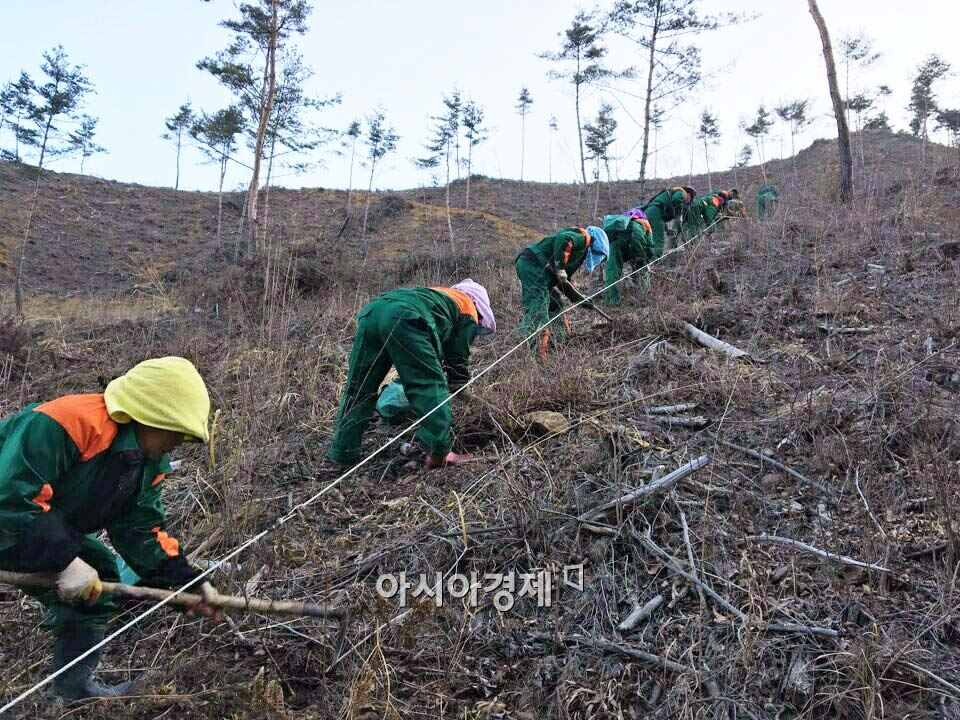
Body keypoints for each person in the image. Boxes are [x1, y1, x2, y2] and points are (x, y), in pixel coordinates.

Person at [0, 357, 218, 701]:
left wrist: (187, 582)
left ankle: (73, 692)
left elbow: (142, 528)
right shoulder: (67, 422)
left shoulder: (147, 462)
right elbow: (11, 498)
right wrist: (65, 560)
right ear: (147, 413)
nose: (179, 442)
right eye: (176, 430)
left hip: (31, 525)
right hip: (8, 515)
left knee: (98, 576)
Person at [328, 280, 495, 470]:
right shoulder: (468, 309)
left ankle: (343, 452)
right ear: (478, 305)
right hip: (406, 316)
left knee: (359, 386)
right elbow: (456, 361)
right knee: (429, 385)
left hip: (372, 312)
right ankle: (438, 453)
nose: (477, 328)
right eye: (479, 325)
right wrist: (461, 386)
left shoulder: (437, 296)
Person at [515, 226, 609, 359]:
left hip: (538, 270)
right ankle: (532, 352)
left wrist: (581, 300)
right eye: (599, 255)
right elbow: (563, 239)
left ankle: (559, 340)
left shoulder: (577, 257)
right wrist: (559, 267)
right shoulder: (584, 238)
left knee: (555, 304)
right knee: (538, 310)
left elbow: (564, 283)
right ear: (596, 245)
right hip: (533, 266)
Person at [602, 208, 656, 307]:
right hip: (635, 244)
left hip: (615, 244)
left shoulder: (621, 223)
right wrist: (645, 259)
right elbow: (649, 246)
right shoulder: (643, 223)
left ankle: (611, 303)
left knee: (612, 273)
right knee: (643, 270)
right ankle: (643, 299)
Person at [641, 186, 695, 257]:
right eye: (689, 200)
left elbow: (661, 217)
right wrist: (678, 214)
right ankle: (655, 260)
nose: (688, 202)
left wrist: (666, 229)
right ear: (688, 195)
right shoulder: (681, 192)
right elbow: (676, 200)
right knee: (659, 241)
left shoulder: (671, 193)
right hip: (655, 213)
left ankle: (646, 259)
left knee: (648, 239)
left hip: (648, 213)